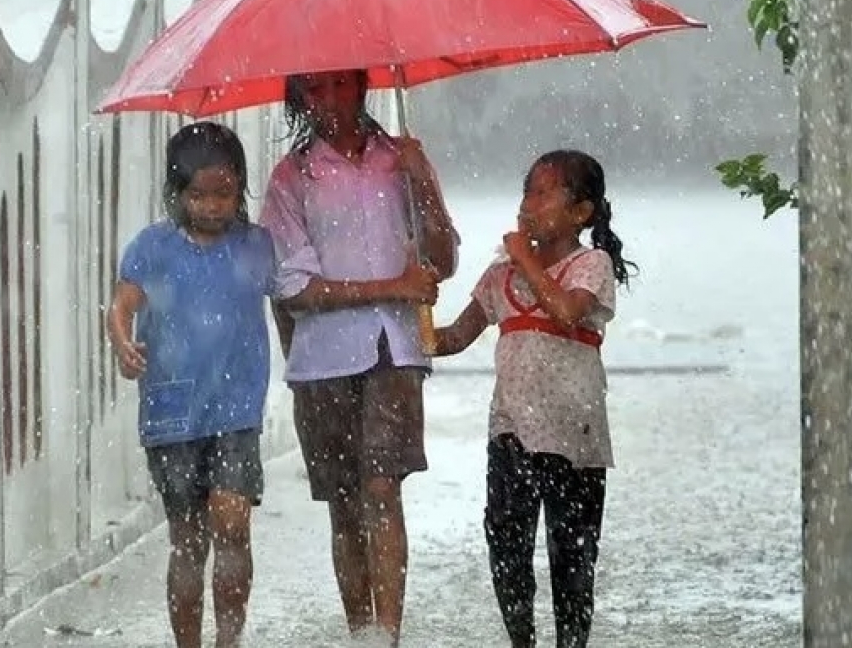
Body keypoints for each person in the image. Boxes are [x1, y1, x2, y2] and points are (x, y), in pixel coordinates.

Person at [258, 69, 459, 646]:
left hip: (393, 352)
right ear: (301, 99)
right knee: (345, 502)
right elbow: (294, 287)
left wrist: (422, 184)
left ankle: (387, 635)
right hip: (321, 361)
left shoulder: (404, 160)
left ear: (364, 85)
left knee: (381, 488)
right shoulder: (292, 178)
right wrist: (389, 288)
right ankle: (360, 631)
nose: (328, 102)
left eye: (339, 86)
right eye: (314, 91)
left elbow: (441, 259)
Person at [431, 149, 635, 648]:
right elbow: (456, 336)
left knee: (573, 555)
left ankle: (571, 642)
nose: (529, 202)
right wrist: (415, 307)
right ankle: (521, 639)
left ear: (581, 213)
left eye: (544, 192)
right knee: (507, 546)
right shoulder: (500, 276)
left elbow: (566, 311)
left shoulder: (591, 264)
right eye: (527, 190)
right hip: (511, 433)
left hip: (574, 437)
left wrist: (523, 256)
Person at [107, 122, 277, 648]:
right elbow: (122, 304)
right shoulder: (153, 247)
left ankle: (229, 638)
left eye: (223, 193)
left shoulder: (256, 246)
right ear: (176, 192)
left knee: (232, 526)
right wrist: (121, 342)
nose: (211, 206)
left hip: (236, 410)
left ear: (240, 189)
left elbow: (292, 305)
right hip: (172, 412)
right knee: (188, 540)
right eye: (198, 195)